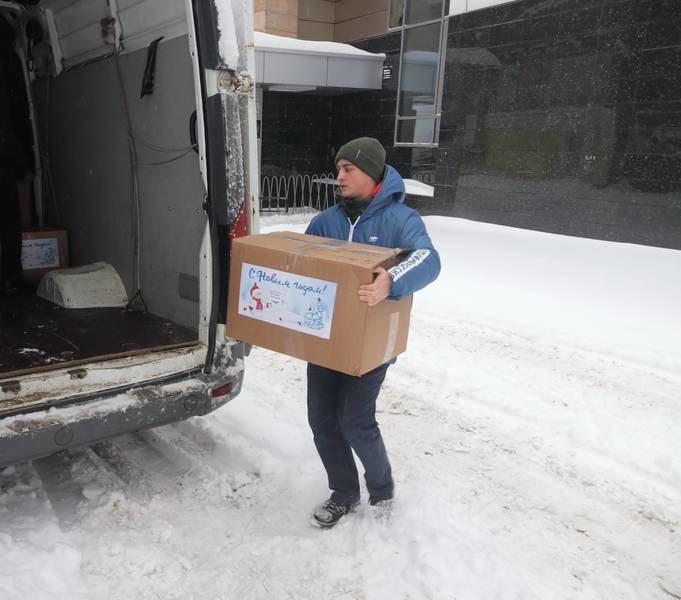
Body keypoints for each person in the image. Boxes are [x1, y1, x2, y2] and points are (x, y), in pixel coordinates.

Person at [305, 137, 441, 528]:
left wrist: (391, 279)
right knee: (322, 421)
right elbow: (300, 267)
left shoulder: (401, 219)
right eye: (338, 169)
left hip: (370, 348)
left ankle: (381, 489)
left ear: (372, 171)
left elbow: (429, 260)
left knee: (355, 420)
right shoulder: (326, 220)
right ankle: (344, 492)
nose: (339, 176)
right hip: (326, 340)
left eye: (348, 169)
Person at [0, 16, 32, 295]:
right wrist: (26, 154)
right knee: (9, 218)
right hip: (5, 151)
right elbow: (20, 110)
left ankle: (11, 274)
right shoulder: (9, 60)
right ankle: (12, 275)